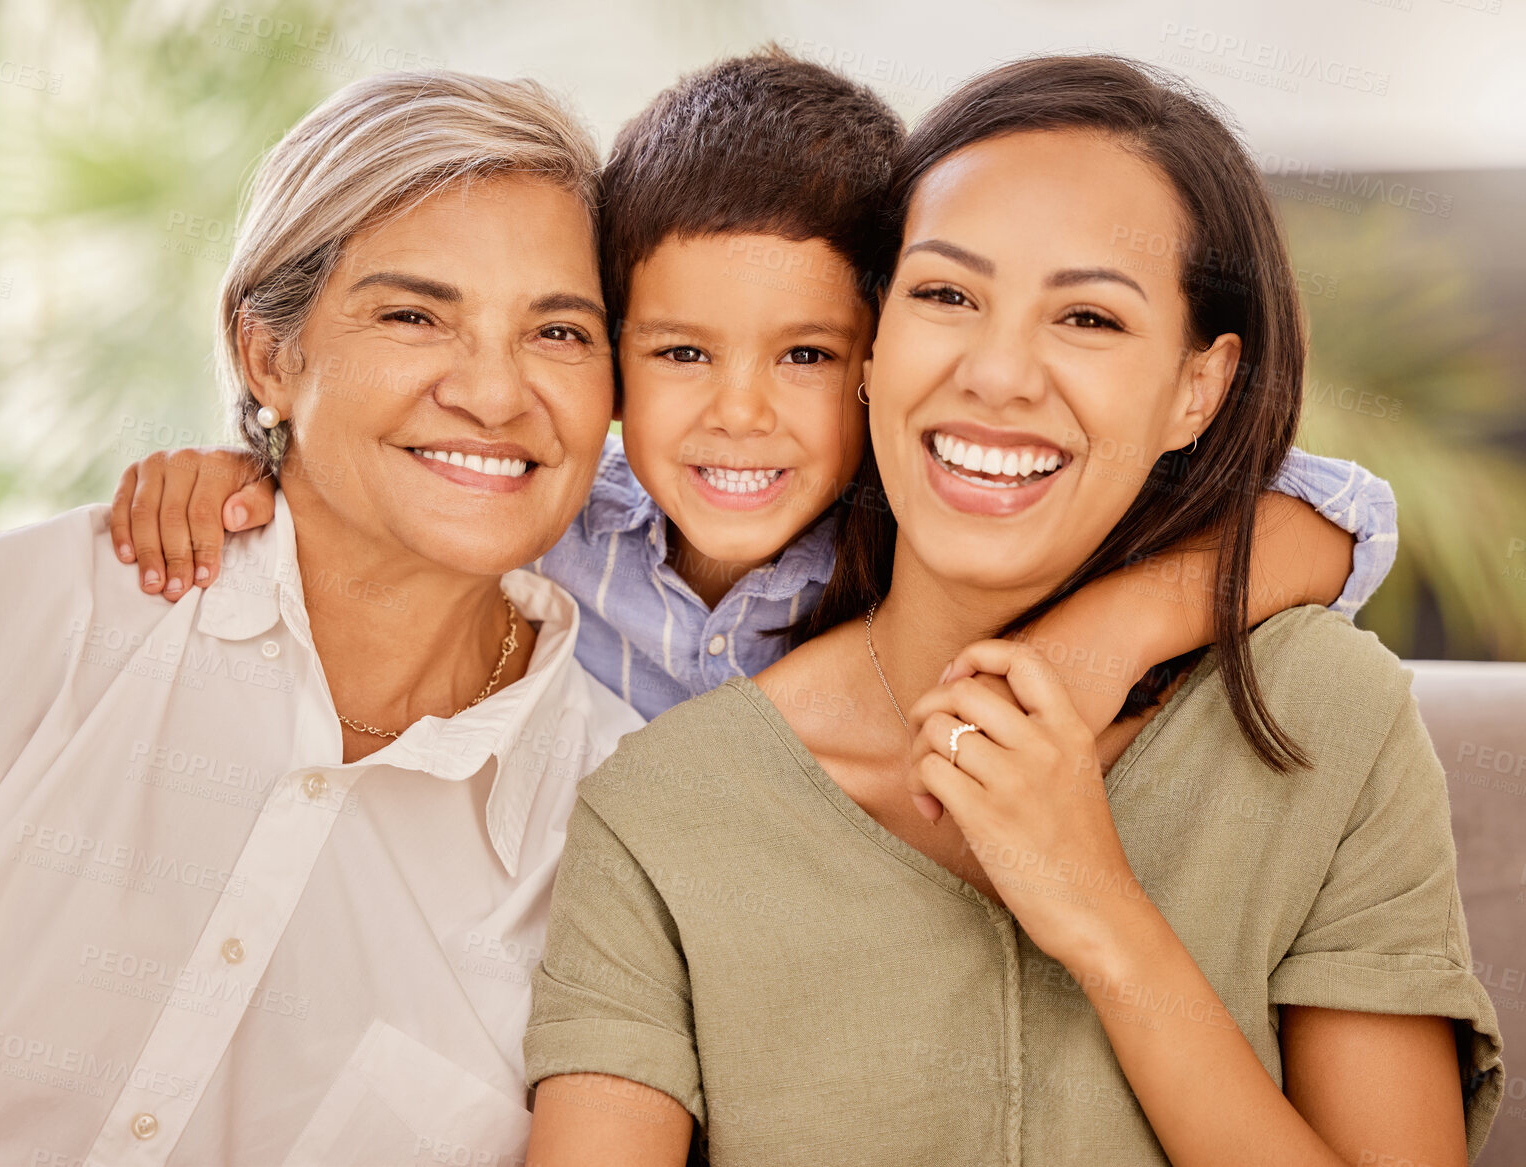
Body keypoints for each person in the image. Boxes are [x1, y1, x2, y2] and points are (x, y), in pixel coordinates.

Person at [521, 56, 1503, 1166]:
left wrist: (1099, 915)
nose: (997, 373)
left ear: (1197, 387)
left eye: (1086, 316)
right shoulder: (660, 805)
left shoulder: (1326, 720)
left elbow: (1332, 513)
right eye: (945, 295)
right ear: (873, 340)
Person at [0, 72, 642, 1165]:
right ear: (268, 355)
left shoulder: (619, 834)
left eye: (559, 332)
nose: (494, 395)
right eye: (412, 314)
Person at [110, 50, 1396, 733]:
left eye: (807, 355)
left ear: (885, 352)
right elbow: (394, 491)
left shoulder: (933, 534)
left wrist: (1092, 642)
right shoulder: (548, 523)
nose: (740, 415)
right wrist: (254, 468)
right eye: (678, 354)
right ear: (606, 360)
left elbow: (1334, 509)